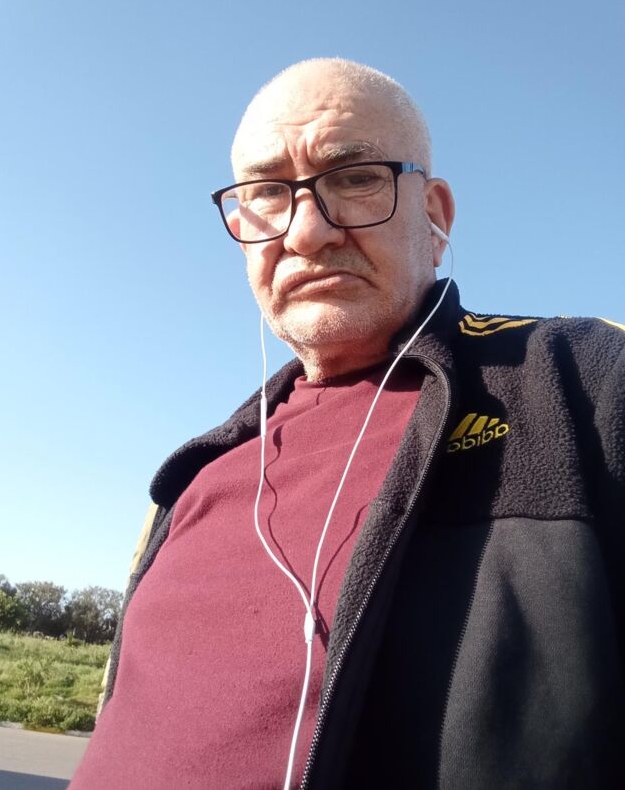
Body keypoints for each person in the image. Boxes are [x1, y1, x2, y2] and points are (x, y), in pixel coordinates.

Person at [71, 58, 625, 789]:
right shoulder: (190, 477)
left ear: (436, 215)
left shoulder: (586, 384)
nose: (306, 232)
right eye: (267, 193)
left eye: (356, 177)